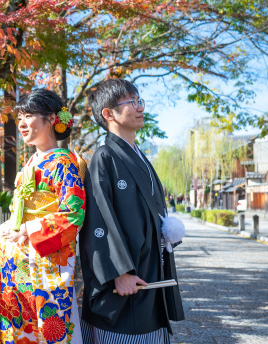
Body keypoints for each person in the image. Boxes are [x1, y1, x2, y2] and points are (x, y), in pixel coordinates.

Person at [79, 79, 184, 344]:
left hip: (149, 266)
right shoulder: (104, 157)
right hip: (126, 275)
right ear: (108, 113)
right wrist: (119, 272)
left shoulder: (140, 156)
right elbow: (98, 220)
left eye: (140, 101)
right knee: (125, 333)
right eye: (131, 102)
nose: (140, 107)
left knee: (150, 328)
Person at [0, 88, 86, 344]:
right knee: (15, 323)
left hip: (44, 261)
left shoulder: (64, 163)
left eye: (29, 116)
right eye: (20, 117)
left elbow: (73, 215)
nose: (22, 123)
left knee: (46, 324)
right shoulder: (30, 163)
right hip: (16, 261)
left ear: (51, 120)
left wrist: (28, 229)